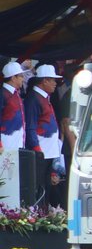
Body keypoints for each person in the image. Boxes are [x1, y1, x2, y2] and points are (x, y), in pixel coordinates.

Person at [23, 63, 63, 208]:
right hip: (41, 151)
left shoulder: (44, 97)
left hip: (48, 151)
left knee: (46, 185)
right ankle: (38, 212)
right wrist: (36, 149)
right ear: (44, 80)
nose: (55, 83)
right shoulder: (34, 99)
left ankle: (44, 212)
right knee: (39, 185)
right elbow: (31, 127)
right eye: (52, 80)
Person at [0, 61, 27, 152]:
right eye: (21, 76)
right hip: (5, 145)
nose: (22, 79)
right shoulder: (2, 94)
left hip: (17, 144)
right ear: (13, 78)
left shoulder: (16, 94)